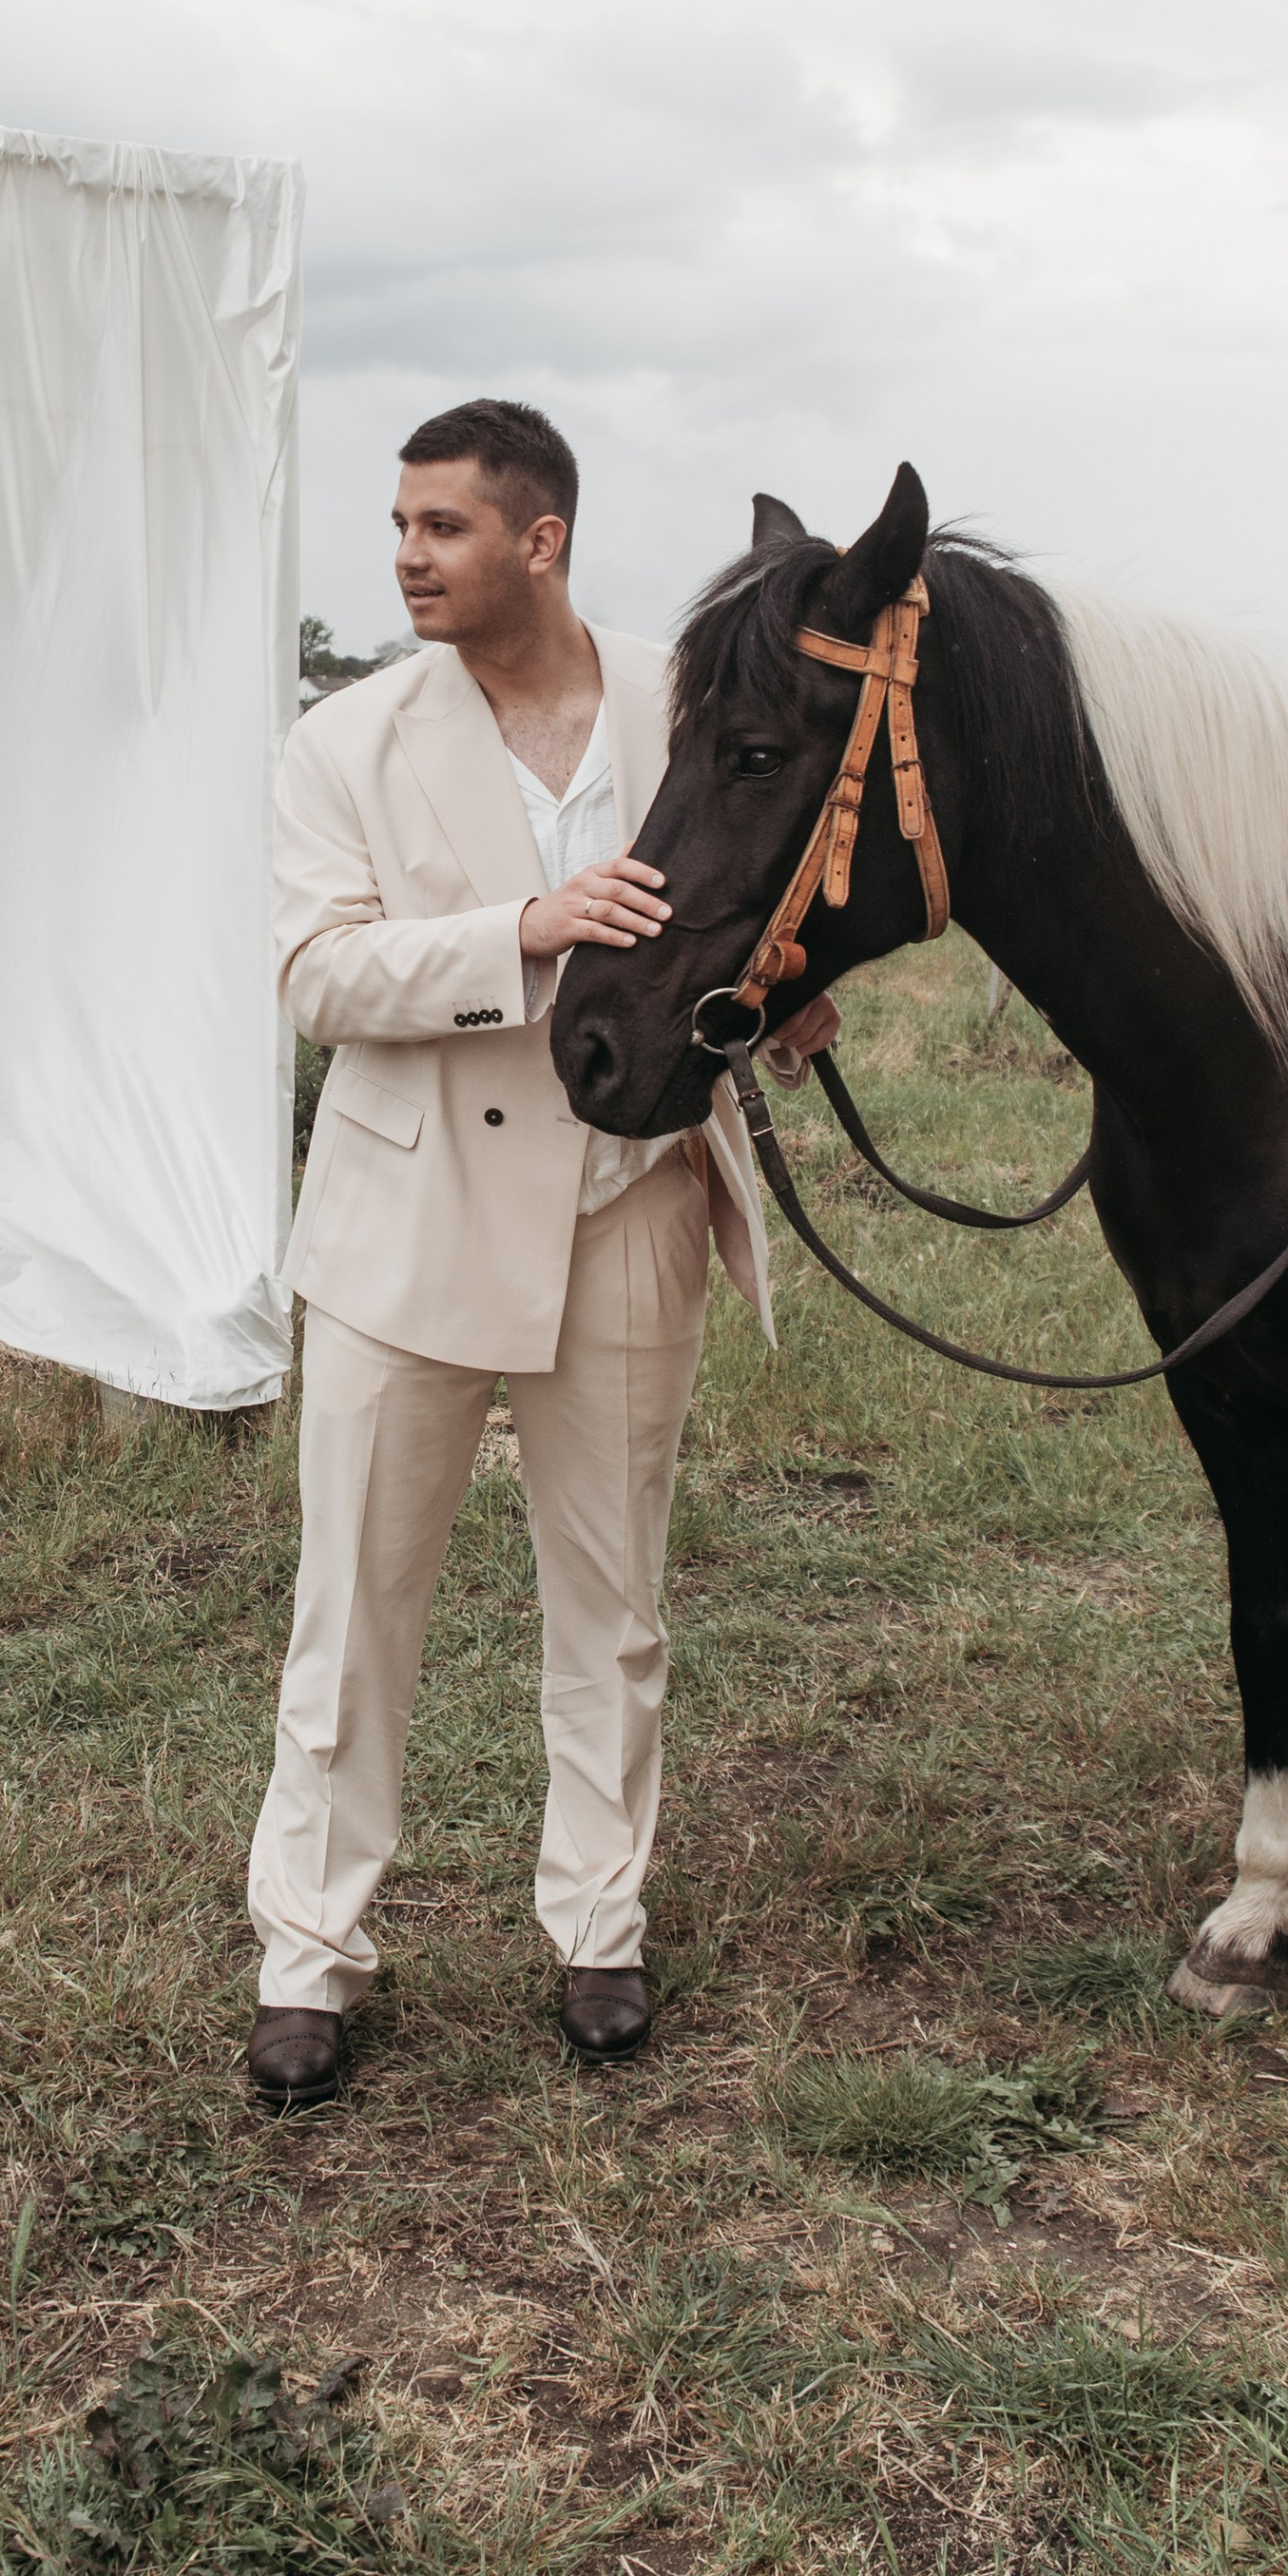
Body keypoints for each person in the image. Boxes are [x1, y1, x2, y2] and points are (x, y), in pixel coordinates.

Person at [245, 399, 836, 2105]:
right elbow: (315, 978)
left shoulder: (687, 700)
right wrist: (523, 931)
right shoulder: (345, 741)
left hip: (632, 1203)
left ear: (542, 539)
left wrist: (787, 1001)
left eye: (441, 526)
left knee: (615, 1603)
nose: (406, 557)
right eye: (400, 526)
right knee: (355, 1614)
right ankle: (311, 1955)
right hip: (412, 1223)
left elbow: (754, 890)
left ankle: (600, 1927)